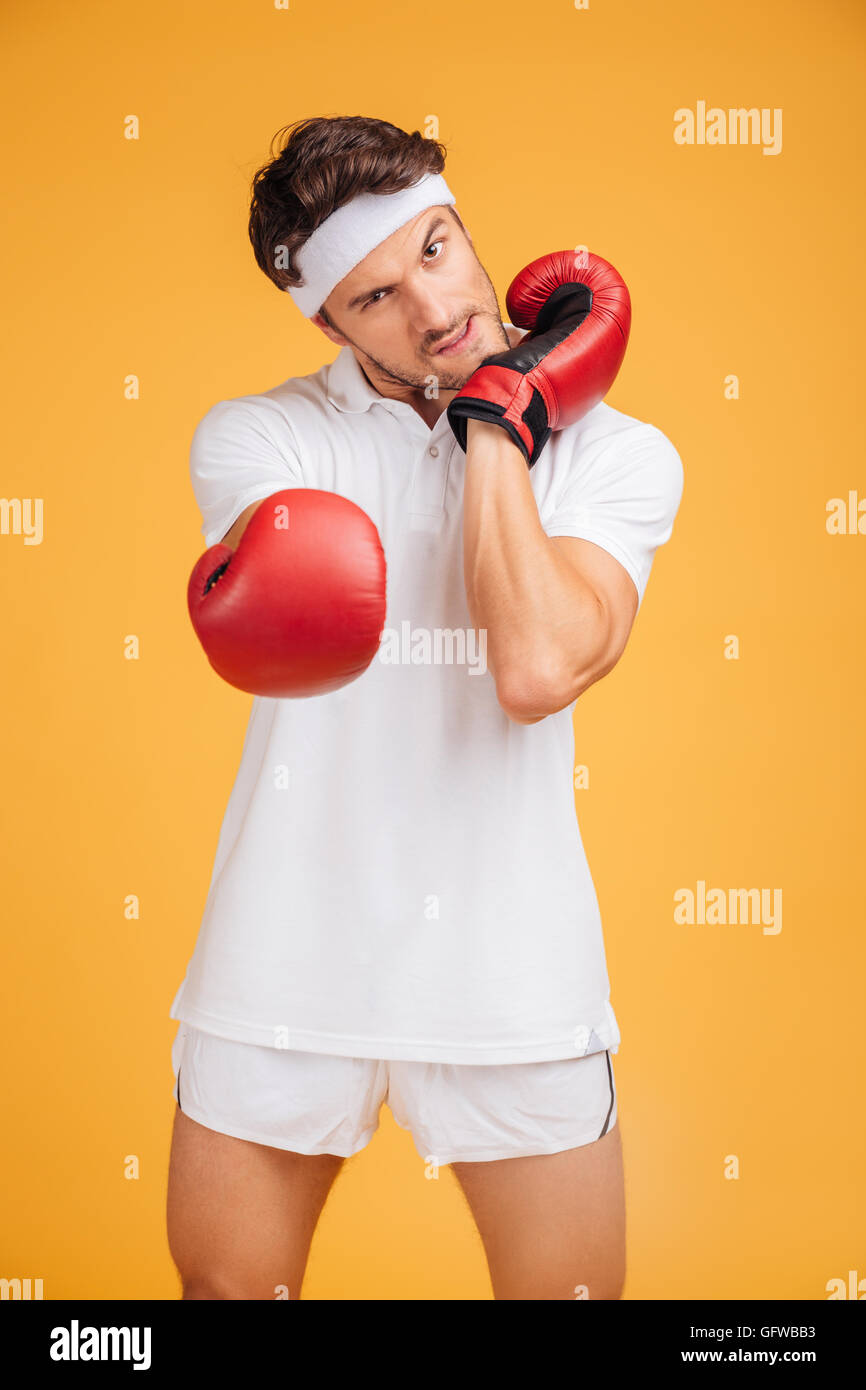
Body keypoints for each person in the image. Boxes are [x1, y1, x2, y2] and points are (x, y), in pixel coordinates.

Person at [166, 115, 684, 1301]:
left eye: (439, 250)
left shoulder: (619, 455)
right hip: (284, 953)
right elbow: (296, 597)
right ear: (326, 323)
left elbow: (536, 667)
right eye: (374, 296)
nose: (435, 308)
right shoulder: (263, 437)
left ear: (463, 227)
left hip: (509, 964)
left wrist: (499, 425)